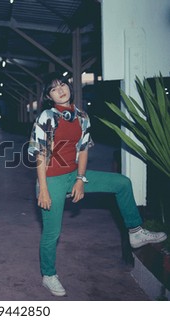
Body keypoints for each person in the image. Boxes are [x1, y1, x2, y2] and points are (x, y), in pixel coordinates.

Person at [28, 72, 167, 297]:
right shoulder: (47, 116)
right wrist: (43, 189)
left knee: (122, 183)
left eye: (62, 84)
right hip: (51, 180)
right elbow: (40, 154)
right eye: (54, 88)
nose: (61, 90)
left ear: (69, 87)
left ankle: (136, 231)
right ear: (49, 96)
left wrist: (81, 180)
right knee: (52, 233)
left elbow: (83, 150)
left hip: (74, 174)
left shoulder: (82, 116)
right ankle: (48, 275)